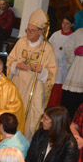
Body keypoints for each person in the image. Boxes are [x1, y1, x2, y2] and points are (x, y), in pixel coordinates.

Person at [7, 8, 57, 139]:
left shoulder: (46, 49)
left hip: (34, 90)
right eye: (27, 30)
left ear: (41, 32)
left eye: (32, 30)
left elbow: (52, 73)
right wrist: (17, 65)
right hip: (18, 84)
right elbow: (10, 60)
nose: (28, 33)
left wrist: (42, 71)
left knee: (31, 119)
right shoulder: (21, 42)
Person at [48, 15, 74, 106]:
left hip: (64, 68)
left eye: (67, 24)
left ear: (72, 24)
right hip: (53, 65)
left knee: (58, 91)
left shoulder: (73, 36)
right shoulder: (56, 34)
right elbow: (49, 47)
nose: (64, 25)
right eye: (63, 23)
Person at [62, 27, 83, 118]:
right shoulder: (79, 32)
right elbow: (68, 48)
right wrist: (74, 51)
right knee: (68, 105)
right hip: (75, 74)